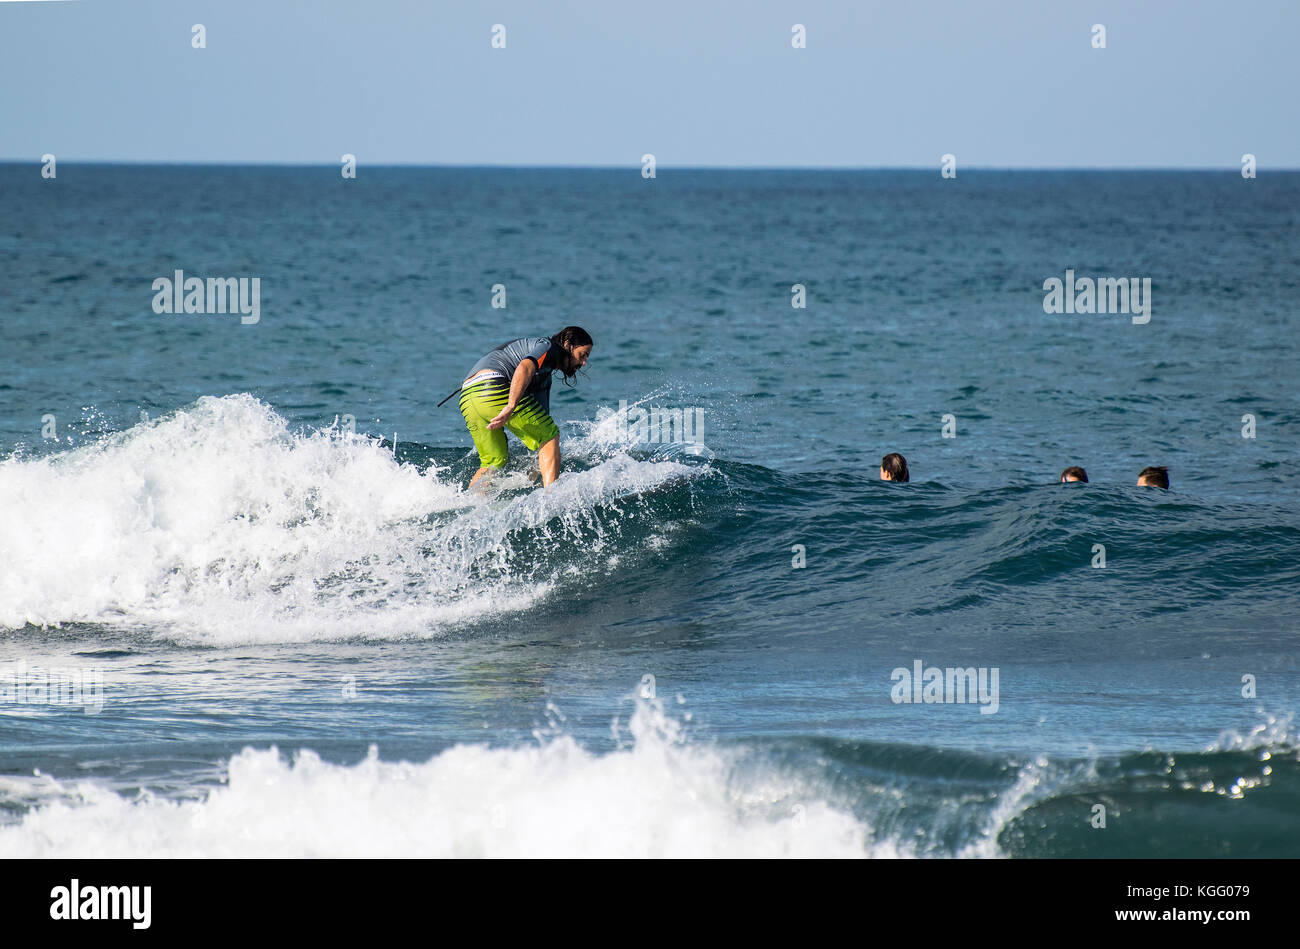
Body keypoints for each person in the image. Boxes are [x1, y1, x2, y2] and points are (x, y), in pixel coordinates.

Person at [458, 326, 592, 489]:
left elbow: (540, 424)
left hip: (468, 396)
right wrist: (511, 405)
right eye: (582, 355)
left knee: (494, 460)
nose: (584, 363)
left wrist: (537, 464)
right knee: (550, 435)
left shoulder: (543, 377)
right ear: (568, 344)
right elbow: (525, 366)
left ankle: (472, 506)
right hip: (492, 385)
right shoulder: (549, 346)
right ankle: (552, 498)